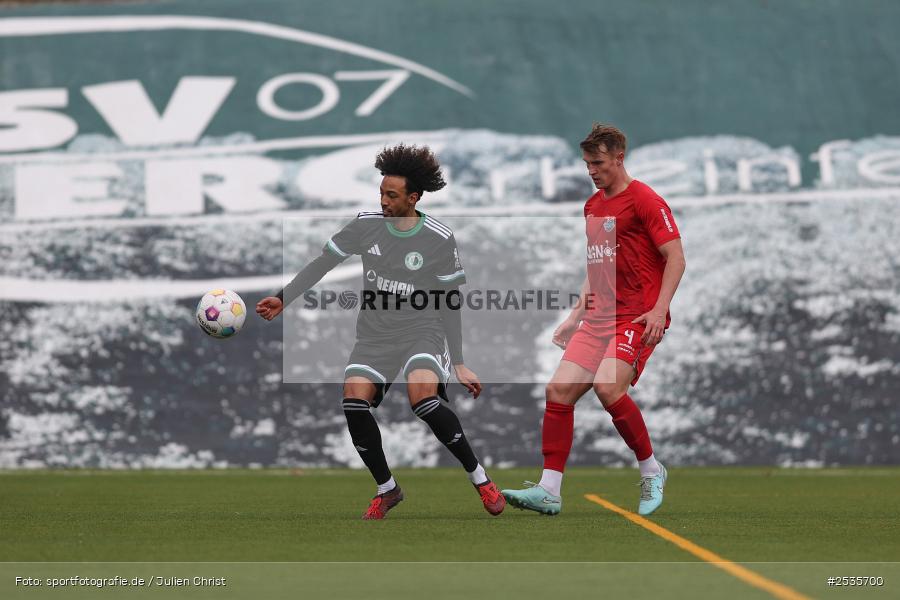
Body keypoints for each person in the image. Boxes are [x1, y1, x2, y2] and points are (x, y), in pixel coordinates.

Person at [256, 144, 505, 520]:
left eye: (392, 195)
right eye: (381, 193)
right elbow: (323, 262)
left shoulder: (437, 238)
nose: (384, 201)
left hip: (423, 330)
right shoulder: (366, 225)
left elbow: (449, 302)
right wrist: (283, 299)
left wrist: (460, 362)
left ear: (413, 197)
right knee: (353, 401)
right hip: (374, 336)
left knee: (422, 398)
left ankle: (480, 479)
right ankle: (387, 489)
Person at [502, 123, 686, 516]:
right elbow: (599, 265)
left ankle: (652, 470)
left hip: (637, 316)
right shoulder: (593, 206)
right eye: (587, 163)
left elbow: (676, 258)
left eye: (598, 163)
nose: (591, 170)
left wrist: (658, 310)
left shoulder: (646, 201)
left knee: (607, 387)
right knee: (559, 392)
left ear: (618, 158)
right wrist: (574, 316)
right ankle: (549, 490)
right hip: (599, 317)